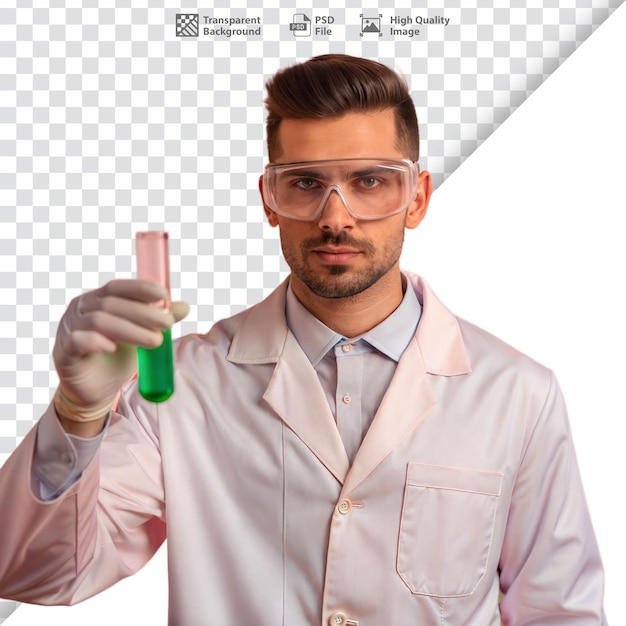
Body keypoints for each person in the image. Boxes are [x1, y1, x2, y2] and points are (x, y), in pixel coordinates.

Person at [0, 54, 606, 625]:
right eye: (306, 183)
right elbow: (37, 574)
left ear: (416, 197)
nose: (335, 216)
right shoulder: (183, 391)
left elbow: (558, 612)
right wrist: (78, 414)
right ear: (269, 199)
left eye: (370, 181)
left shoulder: (517, 394)